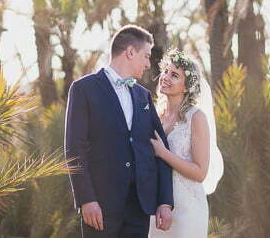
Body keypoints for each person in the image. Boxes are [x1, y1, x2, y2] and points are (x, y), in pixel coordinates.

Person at [64, 25, 174, 237]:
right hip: (100, 207)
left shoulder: (143, 96)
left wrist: (165, 202)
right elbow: (74, 149)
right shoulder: (83, 89)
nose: (148, 64)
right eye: (146, 56)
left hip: (138, 208)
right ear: (130, 52)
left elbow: (161, 148)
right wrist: (86, 199)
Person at [148, 50, 223, 238]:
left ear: (186, 87)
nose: (165, 77)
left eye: (174, 75)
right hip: (158, 206)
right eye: (166, 71)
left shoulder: (196, 118)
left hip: (187, 207)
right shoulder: (156, 116)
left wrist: (164, 153)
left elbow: (200, 172)